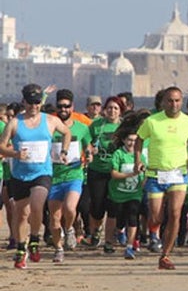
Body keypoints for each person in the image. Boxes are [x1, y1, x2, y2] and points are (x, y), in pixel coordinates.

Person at [0, 84, 73, 268]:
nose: (34, 106)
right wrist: (15, 154)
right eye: (31, 102)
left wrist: (64, 151)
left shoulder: (50, 120)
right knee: (21, 213)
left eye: (38, 102)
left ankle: (34, 238)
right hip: (20, 174)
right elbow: (1, 146)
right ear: (24, 101)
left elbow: (67, 132)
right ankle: (21, 249)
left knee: (37, 203)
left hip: (42, 173)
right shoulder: (15, 122)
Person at [134, 86, 188, 270]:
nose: (174, 104)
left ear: (182, 102)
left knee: (175, 214)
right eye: (170, 100)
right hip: (155, 174)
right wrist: (138, 160)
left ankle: (165, 255)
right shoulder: (152, 121)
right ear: (164, 102)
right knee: (156, 217)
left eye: (178, 100)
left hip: (178, 174)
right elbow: (139, 140)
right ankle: (154, 231)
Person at [47, 89, 94, 262]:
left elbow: (89, 147)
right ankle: (58, 248)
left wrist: (89, 155)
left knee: (70, 208)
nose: (63, 110)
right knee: (54, 216)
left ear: (72, 107)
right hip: (54, 176)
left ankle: (70, 229)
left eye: (67, 106)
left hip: (74, 174)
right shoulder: (50, 126)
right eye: (60, 106)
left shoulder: (82, 127)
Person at [102, 113, 147, 259]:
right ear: (123, 140)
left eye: (135, 141)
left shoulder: (140, 156)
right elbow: (114, 174)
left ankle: (129, 246)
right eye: (129, 140)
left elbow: (145, 172)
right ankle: (110, 241)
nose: (132, 143)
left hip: (134, 193)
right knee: (115, 217)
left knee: (133, 216)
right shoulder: (118, 154)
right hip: (117, 193)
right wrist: (131, 174)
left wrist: (143, 181)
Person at [86, 96, 125, 246]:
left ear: (120, 111)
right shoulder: (96, 125)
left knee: (114, 206)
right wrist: (90, 150)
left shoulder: (123, 127)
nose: (112, 111)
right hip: (97, 170)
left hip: (116, 172)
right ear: (104, 110)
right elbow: (87, 143)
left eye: (116, 108)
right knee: (97, 206)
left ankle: (109, 239)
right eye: (109, 108)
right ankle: (95, 230)